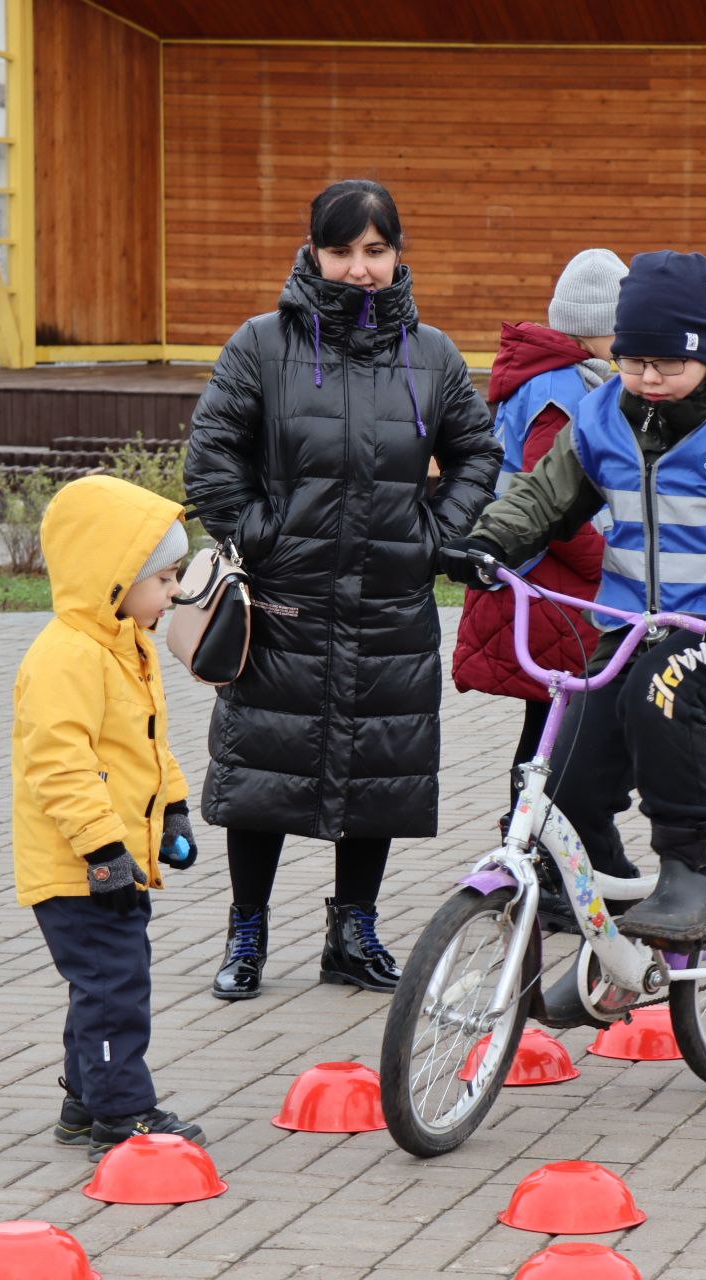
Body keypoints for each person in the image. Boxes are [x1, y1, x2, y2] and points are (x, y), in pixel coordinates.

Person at [443, 250, 706, 943]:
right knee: (567, 779)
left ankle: (694, 870)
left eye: (665, 365)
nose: (646, 380)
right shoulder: (606, 412)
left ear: (703, 351)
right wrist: (488, 544)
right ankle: (609, 939)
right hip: (636, 632)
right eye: (633, 361)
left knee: (658, 690)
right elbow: (544, 496)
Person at [184, 179, 501, 999]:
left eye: (375, 250)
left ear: (397, 255)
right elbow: (211, 457)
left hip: (390, 604)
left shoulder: (431, 355)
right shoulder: (261, 345)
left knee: (377, 771)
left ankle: (352, 931)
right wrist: (264, 536)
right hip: (287, 605)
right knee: (263, 767)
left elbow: (479, 453)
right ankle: (246, 930)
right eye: (342, 250)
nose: (360, 268)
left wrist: (434, 537)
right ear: (313, 252)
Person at [13, 475, 204, 1160]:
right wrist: (102, 850)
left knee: (102, 981)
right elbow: (59, 767)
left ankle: (84, 1100)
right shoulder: (65, 657)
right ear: (115, 577)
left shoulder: (127, 645)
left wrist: (175, 809)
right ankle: (121, 1114)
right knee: (114, 987)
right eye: (165, 577)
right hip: (78, 867)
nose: (174, 591)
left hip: (113, 859)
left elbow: (147, 746)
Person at [452, 249, 626, 870]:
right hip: (554, 584)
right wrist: (610, 569)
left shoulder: (562, 373)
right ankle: (538, 853)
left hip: (540, 580)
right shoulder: (559, 387)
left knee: (549, 728)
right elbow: (550, 499)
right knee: (557, 735)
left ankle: (534, 847)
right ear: (595, 323)